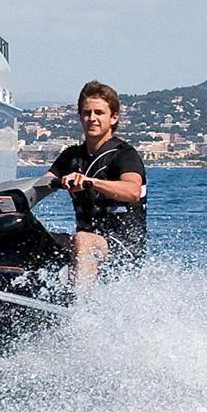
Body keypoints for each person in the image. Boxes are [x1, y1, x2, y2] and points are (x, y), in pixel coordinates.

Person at [44, 80, 149, 280]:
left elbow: (133, 191)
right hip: (85, 243)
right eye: (86, 113)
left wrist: (90, 182)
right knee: (33, 236)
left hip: (124, 249)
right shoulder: (71, 156)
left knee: (82, 240)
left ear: (113, 118)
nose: (92, 118)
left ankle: (82, 300)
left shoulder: (125, 155)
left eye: (99, 113)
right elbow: (39, 185)